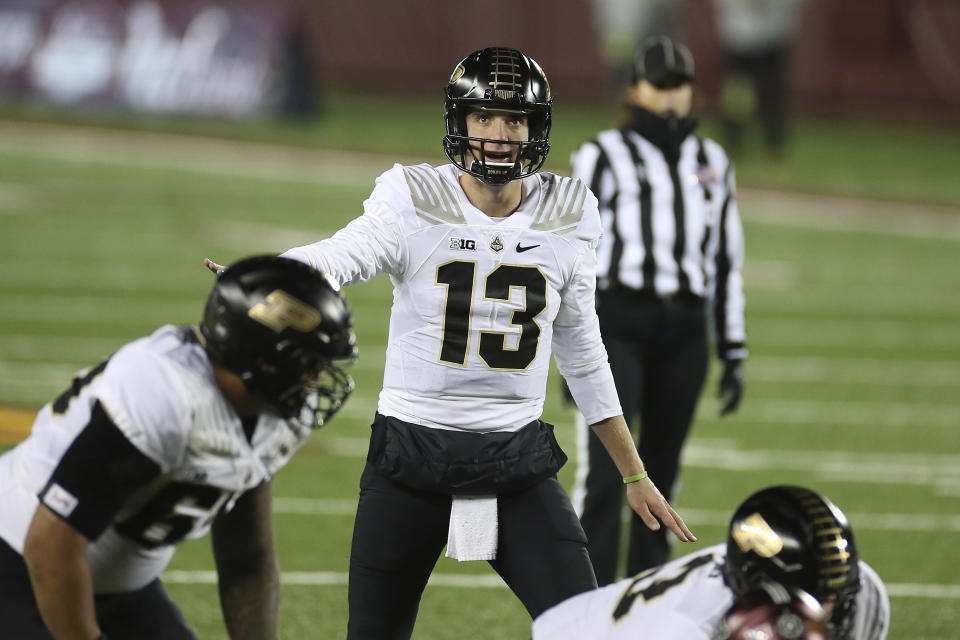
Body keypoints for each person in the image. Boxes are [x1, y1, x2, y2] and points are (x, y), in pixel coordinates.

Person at [206, 46, 696, 639]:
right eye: (484, 116)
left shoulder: (569, 211)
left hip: (516, 462)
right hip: (411, 457)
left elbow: (583, 349)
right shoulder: (414, 199)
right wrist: (271, 274)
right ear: (459, 121)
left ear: (534, 128)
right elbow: (345, 254)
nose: (498, 133)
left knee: (586, 628)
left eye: (514, 119)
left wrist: (633, 473)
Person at [0, 255, 357, 639]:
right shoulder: (162, 393)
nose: (315, 379)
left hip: (122, 584)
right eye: (306, 362)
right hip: (21, 561)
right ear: (258, 357)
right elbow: (49, 547)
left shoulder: (270, 411)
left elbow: (246, 558)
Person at [569, 35, 747, 583]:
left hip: (685, 330)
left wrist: (733, 346)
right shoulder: (600, 154)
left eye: (680, 85)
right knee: (608, 474)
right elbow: (573, 253)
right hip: (618, 323)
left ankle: (647, 596)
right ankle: (590, 598)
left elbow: (725, 258)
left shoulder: (712, 159)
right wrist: (569, 345)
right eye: (660, 85)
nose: (671, 97)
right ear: (634, 90)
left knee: (663, 471)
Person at [531, 485, 890, 640]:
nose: (830, 607)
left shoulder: (863, 592)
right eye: (812, 594)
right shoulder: (686, 625)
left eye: (836, 591)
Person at [711, 0, 806, 158]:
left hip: (773, 35)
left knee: (773, 93)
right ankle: (733, 141)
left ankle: (774, 144)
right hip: (737, 35)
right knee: (735, 94)